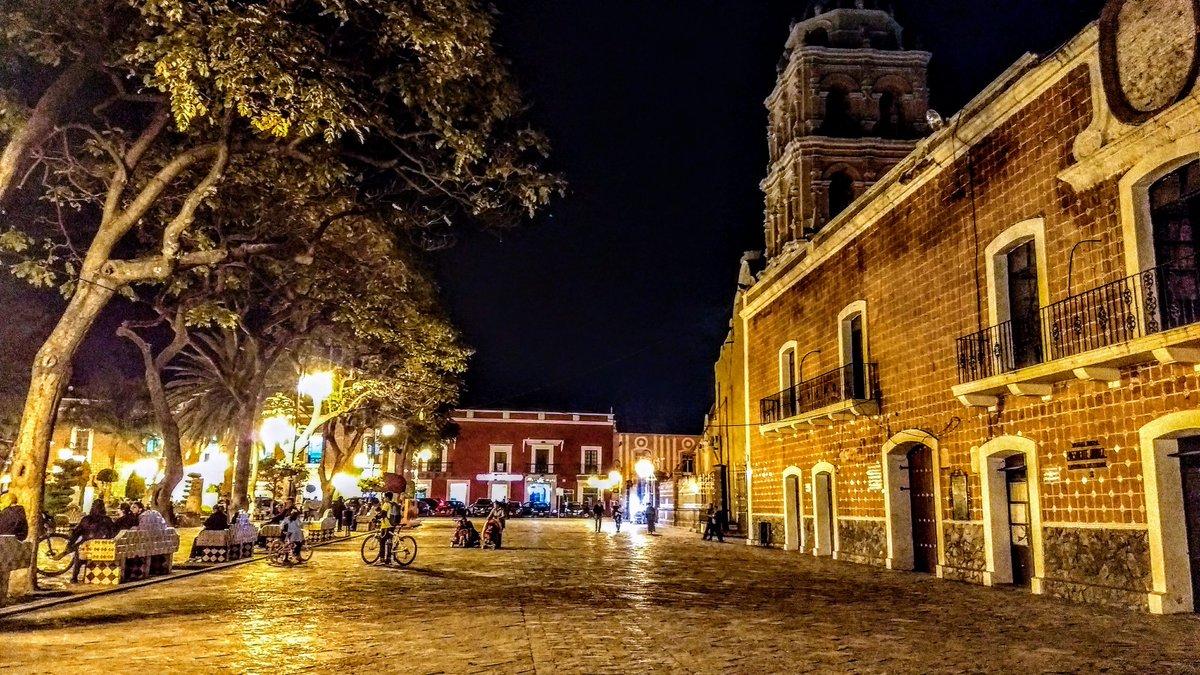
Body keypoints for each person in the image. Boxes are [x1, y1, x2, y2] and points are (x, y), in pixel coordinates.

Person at [67, 501, 116, 583]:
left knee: (78, 554)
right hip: (102, 549)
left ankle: (74, 577)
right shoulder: (107, 520)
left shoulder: (86, 519)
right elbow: (113, 533)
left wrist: (70, 544)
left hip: (86, 547)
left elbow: (76, 533)